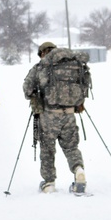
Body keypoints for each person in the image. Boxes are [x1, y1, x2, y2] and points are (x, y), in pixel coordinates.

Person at [22, 41, 90, 195]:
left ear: (42, 53)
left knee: (47, 149)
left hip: (48, 115)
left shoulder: (41, 67)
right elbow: (84, 85)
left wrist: (37, 94)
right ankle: (79, 171)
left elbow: (27, 89)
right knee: (71, 147)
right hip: (69, 114)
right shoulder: (74, 65)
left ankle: (49, 183)